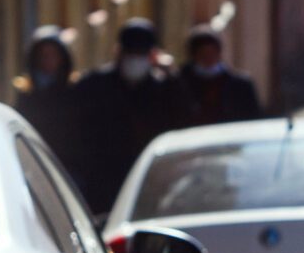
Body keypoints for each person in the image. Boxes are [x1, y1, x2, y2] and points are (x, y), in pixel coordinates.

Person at [65, 19, 192, 209]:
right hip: (103, 181)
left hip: (150, 180)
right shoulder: (94, 86)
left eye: (141, 54)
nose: (135, 60)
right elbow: (78, 131)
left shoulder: (162, 88)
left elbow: (183, 118)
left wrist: (171, 75)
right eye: (130, 53)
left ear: (152, 56)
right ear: (119, 53)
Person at [178, 25, 265, 125]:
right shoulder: (182, 83)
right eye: (203, 54)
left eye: (212, 53)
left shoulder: (240, 84)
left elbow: (253, 117)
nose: (208, 58)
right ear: (194, 55)